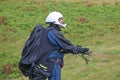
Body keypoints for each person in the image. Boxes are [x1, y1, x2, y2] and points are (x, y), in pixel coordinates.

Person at [45, 11, 90, 80]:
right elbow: (67, 46)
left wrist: (77, 48)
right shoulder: (54, 33)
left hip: (47, 61)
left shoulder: (48, 31)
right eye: (60, 19)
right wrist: (81, 49)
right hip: (53, 62)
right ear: (54, 21)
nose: (62, 21)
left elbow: (62, 47)